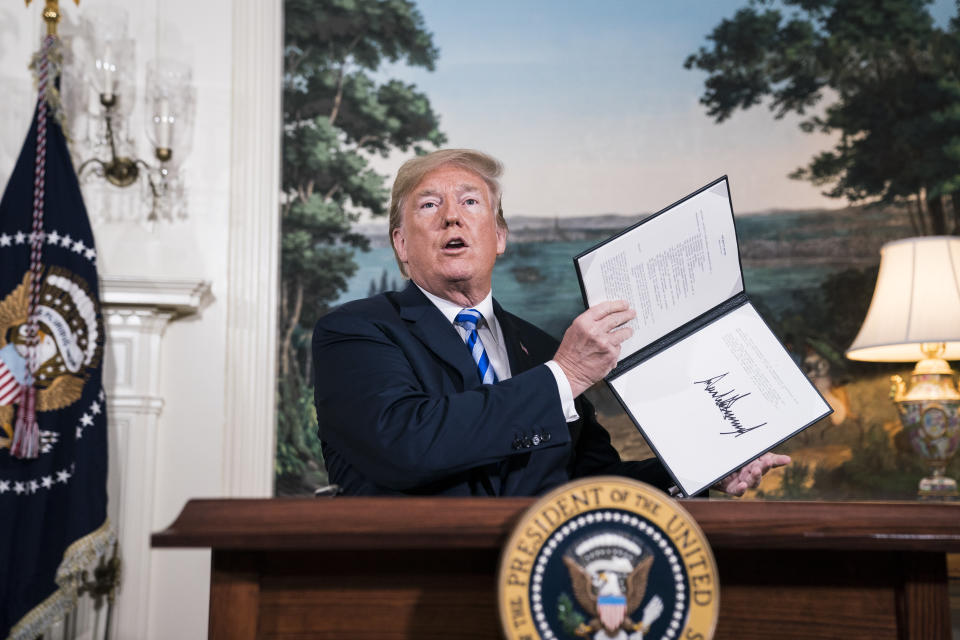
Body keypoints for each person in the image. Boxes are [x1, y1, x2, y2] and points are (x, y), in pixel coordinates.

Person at [312, 149, 787, 496]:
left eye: (471, 202)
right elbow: (407, 446)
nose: (452, 217)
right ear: (400, 243)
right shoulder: (356, 332)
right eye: (430, 205)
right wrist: (567, 376)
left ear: (499, 237)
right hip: (419, 586)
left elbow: (588, 484)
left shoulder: (540, 349)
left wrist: (696, 470)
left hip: (538, 589)